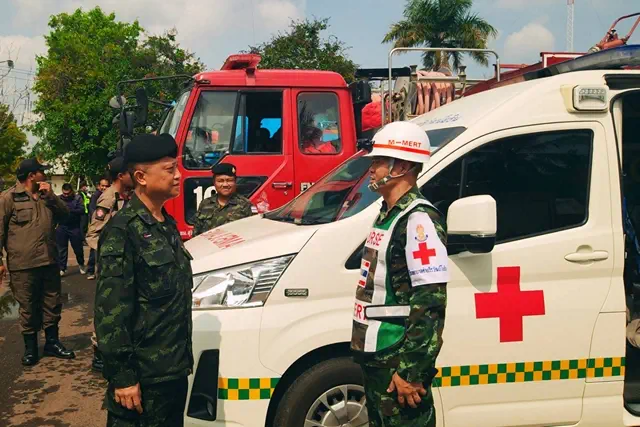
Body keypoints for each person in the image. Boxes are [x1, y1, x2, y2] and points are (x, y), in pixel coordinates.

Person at [350, 121, 448, 427]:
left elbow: (430, 301)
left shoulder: (419, 220)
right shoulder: (388, 213)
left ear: (402, 166)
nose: (372, 169)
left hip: (398, 360)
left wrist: (411, 371)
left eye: (379, 161)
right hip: (378, 356)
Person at [95, 133, 193, 426]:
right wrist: (123, 377)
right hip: (142, 381)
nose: (178, 176)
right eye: (169, 169)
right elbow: (110, 312)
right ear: (141, 177)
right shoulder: (122, 231)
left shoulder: (166, 224)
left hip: (172, 372)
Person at [0, 158, 76, 366]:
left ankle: (52, 342)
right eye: (42, 171)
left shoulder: (46, 196)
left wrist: (51, 197)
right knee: (28, 307)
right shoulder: (8, 198)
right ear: (32, 175)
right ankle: (31, 348)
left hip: (49, 261)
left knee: (52, 303)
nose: (45, 174)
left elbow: (66, 216)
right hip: (23, 265)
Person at [86, 156, 132, 373]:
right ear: (121, 176)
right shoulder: (108, 198)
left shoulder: (125, 196)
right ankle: (99, 353)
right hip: (110, 265)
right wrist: (111, 253)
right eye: (130, 172)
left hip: (123, 263)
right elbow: (93, 234)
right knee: (107, 308)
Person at [191, 162, 254, 237]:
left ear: (235, 182)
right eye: (220, 181)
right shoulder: (205, 204)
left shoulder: (245, 205)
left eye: (229, 180)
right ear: (214, 182)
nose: (225, 185)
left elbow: (252, 234)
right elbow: (196, 234)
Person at [56, 183, 87, 276]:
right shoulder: (58, 199)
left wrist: (70, 210)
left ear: (71, 192)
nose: (66, 195)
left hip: (74, 227)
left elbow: (82, 210)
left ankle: (81, 264)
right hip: (62, 226)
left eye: (68, 193)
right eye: (64, 193)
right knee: (61, 249)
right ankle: (62, 268)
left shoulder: (77, 198)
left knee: (78, 248)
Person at [87, 178, 111, 279]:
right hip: (97, 226)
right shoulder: (96, 196)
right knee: (94, 249)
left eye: (106, 186)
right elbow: (93, 211)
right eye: (102, 186)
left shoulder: (111, 196)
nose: (104, 188)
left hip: (107, 227)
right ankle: (90, 270)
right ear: (98, 186)